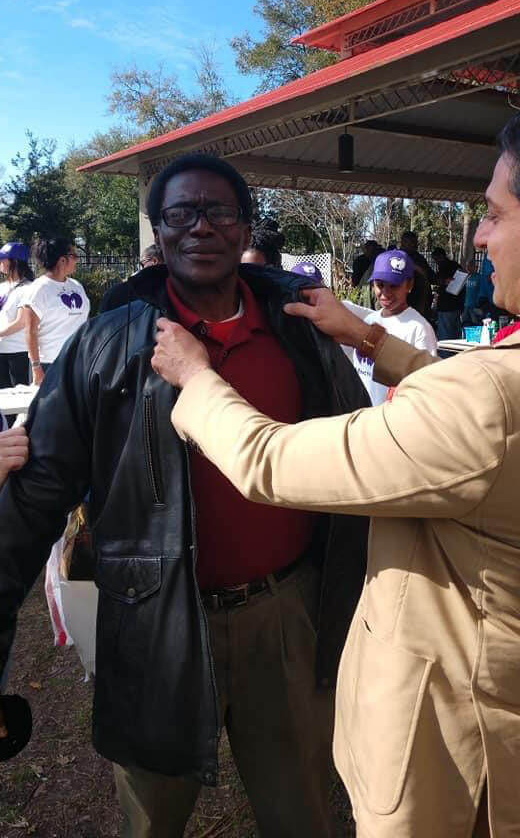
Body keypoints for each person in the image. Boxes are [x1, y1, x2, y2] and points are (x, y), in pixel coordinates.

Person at [151, 97, 520, 838]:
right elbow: (496, 422)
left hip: (465, 773)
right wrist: (371, 338)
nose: (481, 236)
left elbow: (270, 460)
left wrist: (197, 377)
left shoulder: (493, 400)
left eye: (495, 214)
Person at [0, 152, 369, 838]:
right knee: (150, 819)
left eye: (218, 211)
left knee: (304, 814)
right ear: (159, 234)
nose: (200, 226)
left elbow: (360, 457)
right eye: (180, 213)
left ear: (244, 226)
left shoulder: (299, 332)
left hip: (285, 613)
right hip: (153, 621)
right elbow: (40, 494)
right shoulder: (107, 348)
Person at [345, 249, 437, 405]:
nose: (385, 293)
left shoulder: (419, 328)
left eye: (394, 286)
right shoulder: (369, 321)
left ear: (409, 285)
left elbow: (425, 384)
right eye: (380, 285)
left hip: (392, 420)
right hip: (363, 417)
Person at [23, 238, 90, 386]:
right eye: (74, 256)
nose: (77, 260)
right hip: (49, 363)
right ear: (62, 260)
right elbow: (30, 331)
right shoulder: (39, 289)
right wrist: (36, 367)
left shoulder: (77, 286)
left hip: (77, 361)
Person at [0, 243, 34, 390]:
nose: (0, 262)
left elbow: (21, 322)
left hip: (19, 352)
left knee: (19, 397)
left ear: (14, 261)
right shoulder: (2, 287)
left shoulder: (29, 288)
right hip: (1, 350)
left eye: (3, 258)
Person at [99, 243, 165, 314]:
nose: (141, 269)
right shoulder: (174, 291)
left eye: (142, 264)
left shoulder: (115, 293)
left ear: (154, 261)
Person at [431, 246, 465, 341]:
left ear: (441, 257)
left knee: (445, 334)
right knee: (455, 333)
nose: (436, 262)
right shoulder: (455, 266)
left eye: (436, 259)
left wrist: (443, 282)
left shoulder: (446, 267)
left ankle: (446, 354)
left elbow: (437, 280)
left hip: (447, 305)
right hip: (455, 304)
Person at [400, 230, 435, 319]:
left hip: (421, 300)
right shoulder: (396, 257)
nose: (415, 245)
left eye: (415, 242)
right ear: (403, 242)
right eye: (411, 242)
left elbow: (430, 276)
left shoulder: (418, 257)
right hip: (405, 301)